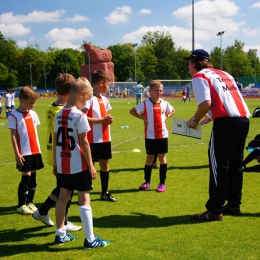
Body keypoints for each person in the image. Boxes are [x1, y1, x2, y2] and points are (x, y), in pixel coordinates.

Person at [185, 49, 250, 221]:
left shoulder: (200, 76)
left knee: (218, 166)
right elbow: (228, 98)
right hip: (243, 120)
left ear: (194, 63)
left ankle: (214, 210)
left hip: (226, 124)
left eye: (189, 63)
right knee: (236, 164)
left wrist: (194, 120)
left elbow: (206, 103)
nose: (188, 67)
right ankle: (234, 204)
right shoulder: (224, 73)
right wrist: (211, 116)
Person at [53, 77, 110, 248]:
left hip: (63, 162)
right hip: (78, 164)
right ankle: (90, 239)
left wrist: (56, 163)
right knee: (84, 199)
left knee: (63, 197)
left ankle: (60, 234)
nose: (87, 102)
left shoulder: (59, 114)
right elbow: (84, 142)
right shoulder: (79, 116)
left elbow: (56, 140)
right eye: (87, 98)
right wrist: (91, 165)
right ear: (82, 93)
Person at [32, 73, 81, 231]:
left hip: (54, 151)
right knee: (66, 188)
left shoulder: (51, 108)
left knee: (63, 186)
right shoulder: (63, 111)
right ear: (71, 91)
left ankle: (44, 211)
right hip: (62, 152)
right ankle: (62, 221)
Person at [129, 80, 175, 192]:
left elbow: (173, 110)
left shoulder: (164, 103)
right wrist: (143, 118)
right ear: (150, 91)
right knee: (149, 158)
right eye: (157, 90)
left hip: (162, 134)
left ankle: (162, 183)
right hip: (150, 135)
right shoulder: (145, 103)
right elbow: (132, 111)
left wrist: (168, 115)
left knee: (162, 158)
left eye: (161, 90)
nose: (159, 92)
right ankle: (147, 182)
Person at [7, 86, 44, 214]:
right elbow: (13, 136)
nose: (33, 105)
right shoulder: (14, 115)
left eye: (34, 103)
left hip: (35, 151)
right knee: (26, 177)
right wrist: (17, 154)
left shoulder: (33, 114)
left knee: (33, 177)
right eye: (31, 103)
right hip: (24, 152)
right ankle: (21, 205)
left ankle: (30, 202)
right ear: (22, 100)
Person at [82, 70, 117, 202]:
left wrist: (109, 119)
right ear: (101, 83)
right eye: (107, 84)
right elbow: (83, 117)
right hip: (92, 139)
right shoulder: (89, 99)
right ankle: (85, 191)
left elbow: (105, 115)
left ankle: (104, 192)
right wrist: (102, 120)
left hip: (105, 138)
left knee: (105, 164)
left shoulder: (105, 99)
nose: (108, 86)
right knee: (90, 165)